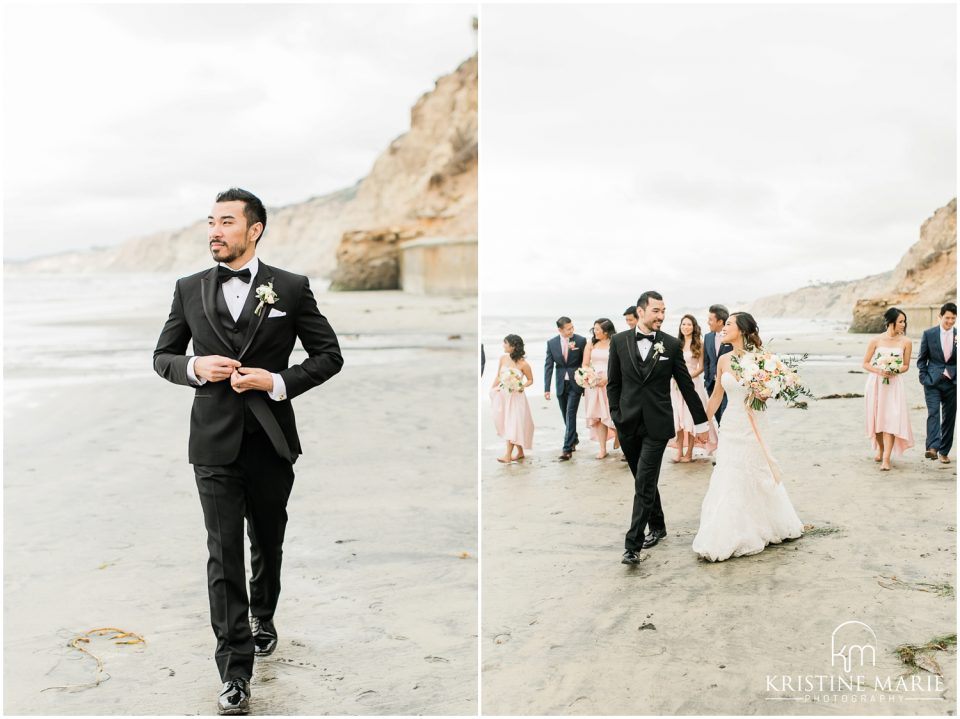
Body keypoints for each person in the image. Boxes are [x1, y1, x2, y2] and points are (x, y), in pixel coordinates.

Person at [154, 188, 344, 715]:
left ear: (253, 229)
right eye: (210, 222)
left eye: (226, 222)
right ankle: (234, 671)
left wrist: (276, 380)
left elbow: (329, 356)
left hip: (271, 440)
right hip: (212, 443)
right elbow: (163, 355)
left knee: (267, 539)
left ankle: (264, 614)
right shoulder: (188, 288)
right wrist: (194, 368)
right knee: (223, 554)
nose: (214, 231)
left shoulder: (290, 287)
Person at [606, 291, 709, 563]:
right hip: (627, 422)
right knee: (644, 479)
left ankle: (632, 546)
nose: (661, 316)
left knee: (644, 481)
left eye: (664, 311)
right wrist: (616, 414)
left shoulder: (671, 345)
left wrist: (701, 423)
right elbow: (613, 383)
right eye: (656, 311)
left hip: (658, 424)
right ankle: (659, 525)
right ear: (641, 311)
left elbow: (686, 386)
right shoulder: (618, 342)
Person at [692, 312, 804, 562]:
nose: (723, 328)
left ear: (741, 330)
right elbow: (717, 396)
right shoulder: (723, 359)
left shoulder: (763, 358)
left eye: (729, 325)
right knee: (729, 473)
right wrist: (701, 424)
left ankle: (763, 524)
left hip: (755, 423)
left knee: (756, 471)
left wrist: (766, 392)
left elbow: (773, 389)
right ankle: (728, 531)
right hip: (731, 424)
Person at [862, 307, 914, 470]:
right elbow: (865, 363)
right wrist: (879, 370)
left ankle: (886, 459)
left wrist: (894, 370)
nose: (903, 324)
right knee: (876, 419)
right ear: (891, 322)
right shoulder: (876, 340)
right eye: (900, 321)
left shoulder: (906, 342)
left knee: (891, 419)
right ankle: (881, 448)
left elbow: (906, 366)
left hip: (894, 386)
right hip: (876, 383)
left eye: (904, 321)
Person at [667, 314, 718, 462]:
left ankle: (689, 452)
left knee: (690, 419)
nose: (686, 327)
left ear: (694, 327)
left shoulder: (699, 344)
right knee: (678, 418)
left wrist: (686, 378)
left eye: (689, 324)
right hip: (675, 385)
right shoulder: (675, 343)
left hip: (692, 384)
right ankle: (679, 452)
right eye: (683, 324)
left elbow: (701, 367)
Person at [918, 302, 956, 463]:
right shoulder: (929, 334)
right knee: (933, 413)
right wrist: (924, 378)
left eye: (953, 318)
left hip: (953, 382)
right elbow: (922, 359)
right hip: (932, 381)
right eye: (947, 317)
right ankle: (932, 448)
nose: (950, 321)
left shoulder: (958, 334)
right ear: (940, 316)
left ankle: (944, 451)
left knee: (949, 418)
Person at [544, 317, 586, 461]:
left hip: (576, 382)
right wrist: (546, 388)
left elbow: (584, 363)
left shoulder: (581, 341)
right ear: (560, 330)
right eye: (568, 329)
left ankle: (567, 449)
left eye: (572, 327)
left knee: (570, 413)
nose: (572, 331)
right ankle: (573, 438)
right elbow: (548, 366)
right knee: (565, 414)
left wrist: (586, 383)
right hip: (561, 383)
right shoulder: (551, 343)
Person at [490, 334, 535, 462]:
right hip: (503, 395)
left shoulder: (524, 364)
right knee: (508, 423)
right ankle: (520, 452)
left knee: (513, 424)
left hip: (516, 397)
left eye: (505, 343)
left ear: (513, 346)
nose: (503, 345)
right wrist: (492, 389)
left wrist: (522, 386)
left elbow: (531, 380)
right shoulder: (503, 358)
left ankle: (508, 455)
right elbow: (498, 376)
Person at [582, 319, 619, 459]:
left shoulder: (614, 343)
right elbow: (585, 364)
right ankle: (603, 448)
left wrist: (608, 379)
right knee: (599, 417)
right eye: (594, 329)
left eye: (598, 329)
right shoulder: (591, 343)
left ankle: (617, 434)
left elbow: (619, 365)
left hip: (611, 383)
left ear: (606, 331)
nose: (595, 331)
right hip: (594, 384)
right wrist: (589, 376)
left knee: (613, 413)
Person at [702, 304, 732, 426]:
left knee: (726, 418)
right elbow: (707, 360)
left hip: (727, 384)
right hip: (711, 384)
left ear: (720, 321)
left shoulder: (732, 337)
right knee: (718, 418)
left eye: (710, 320)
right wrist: (707, 378)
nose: (708, 322)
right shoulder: (708, 337)